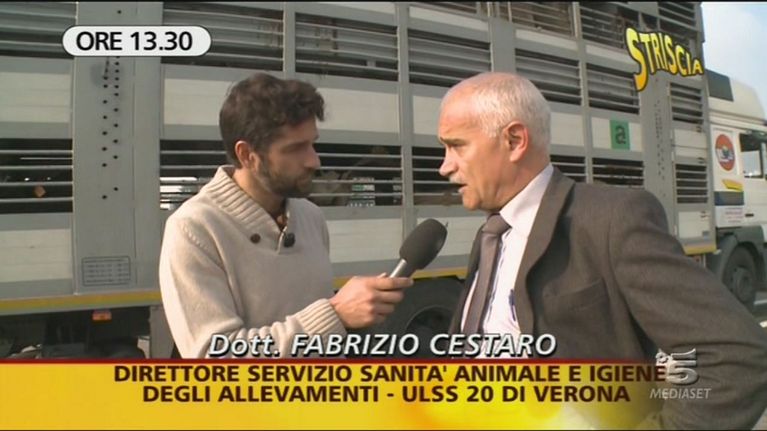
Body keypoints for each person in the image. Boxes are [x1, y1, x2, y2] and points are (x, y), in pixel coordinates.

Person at [437, 72, 767, 429]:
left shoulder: (611, 220)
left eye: (457, 146)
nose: (445, 167)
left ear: (514, 140)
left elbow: (737, 359)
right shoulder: (491, 234)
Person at [159, 73, 412, 358]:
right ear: (247, 155)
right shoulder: (194, 229)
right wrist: (335, 315)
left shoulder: (310, 217)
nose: (314, 160)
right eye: (295, 149)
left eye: (312, 143)